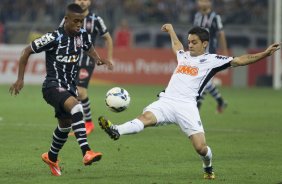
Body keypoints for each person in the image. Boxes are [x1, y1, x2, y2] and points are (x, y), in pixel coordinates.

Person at [98, 24, 280, 180]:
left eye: (194, 42)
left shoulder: (212, 60)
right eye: (189, 42)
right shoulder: (183, 55)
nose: (190, 45)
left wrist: (264, 54)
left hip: (187, 106)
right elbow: (177, 45)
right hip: (167, 101)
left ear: (204, 44)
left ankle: (208, 166)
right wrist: (170, 30)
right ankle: (116, 130)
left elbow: (241, 60)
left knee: (201, 148)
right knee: (145, 117)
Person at [9, 4, 113, 176]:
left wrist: (98, 59)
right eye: (75, 21)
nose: (79, 24)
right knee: (76, 107)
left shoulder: (82, 36)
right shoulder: (53, 37)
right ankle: (87, 152)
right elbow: (25, 51)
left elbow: (89, 47)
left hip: (69, 88)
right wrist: (20, 79)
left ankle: (51, 156)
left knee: (65, 126)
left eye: (81, 21)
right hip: (52, 86)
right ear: (66, 20)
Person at [60, 0, 113, 135]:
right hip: (71, 60)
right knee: (70, 93)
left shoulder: (95, 19)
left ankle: (88, 123)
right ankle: (76, 123)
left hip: (87, 60)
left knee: (81, 91)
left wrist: (110, 57)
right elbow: (59, 34)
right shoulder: (68, 18)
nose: (82, 2)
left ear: (89, 2)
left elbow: (108, 38)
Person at [193, 0, 229, 113]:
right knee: (204, 79)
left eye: (204, 1)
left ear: (209, 3)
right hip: (198, 53)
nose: (202, 3)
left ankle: (198, 104)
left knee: (203, 78)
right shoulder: (197, 16)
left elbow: (221, 34)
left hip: (210, 53)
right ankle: (220, 101)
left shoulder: (215, 17)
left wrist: (224, 50)